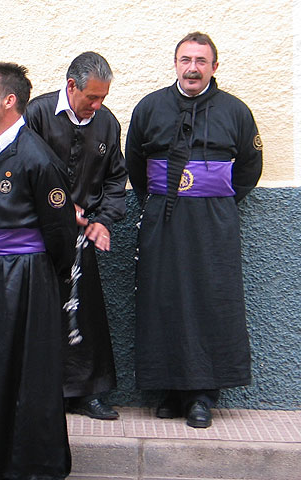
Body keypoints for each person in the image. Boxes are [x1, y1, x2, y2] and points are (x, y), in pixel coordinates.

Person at [126, 32, 262, 428]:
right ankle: (169, 389)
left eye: (201, 61)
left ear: (214, 67)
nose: (193, 67)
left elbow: (250, 166)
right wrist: (158, 202)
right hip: (162, 220)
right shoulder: (150, 107)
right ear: (175, 64)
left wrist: (215, 198)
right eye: (186, 59)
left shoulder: (235, 111)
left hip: (213, 223)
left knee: (209, 300)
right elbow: (135, 162)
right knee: (163, 298)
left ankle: (202, 395)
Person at [0, 62, 76, 480]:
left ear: (9, 101)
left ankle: (31, 464)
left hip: (26, 275)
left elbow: (60, 232)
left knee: (27, 369)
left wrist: (45, 277)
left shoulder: (39, 158)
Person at [25, 52, 126, 420]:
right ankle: (43, 391)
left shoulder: (107, 123)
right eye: (91, 98)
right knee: (41, 314)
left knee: (86, 316)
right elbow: (22, 170)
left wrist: (105, 220)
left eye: (103, 98)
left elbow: (117, 178)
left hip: (84, 238)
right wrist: (59, 210)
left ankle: (89, 392)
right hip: (36, 237)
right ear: (71, 86)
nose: (97, 105)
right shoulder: (35, 115)